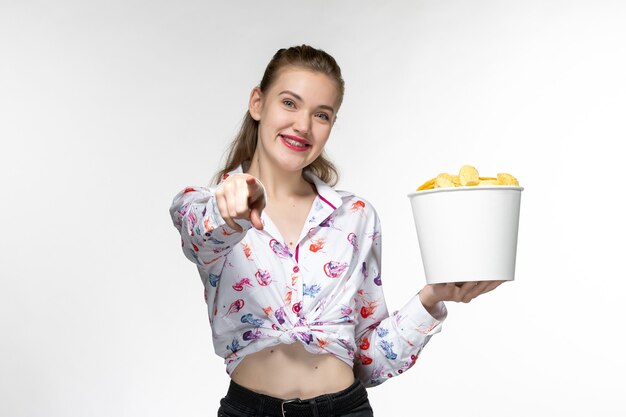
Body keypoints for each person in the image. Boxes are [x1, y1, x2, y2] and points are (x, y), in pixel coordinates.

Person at [169, 44, 504, 417]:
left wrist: (430, 298)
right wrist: (230, 208)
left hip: (346, 409)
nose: (303, 125)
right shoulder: (204, 205)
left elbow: (368, 362)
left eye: (322, 115)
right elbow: (202, 235)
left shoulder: (355, 217)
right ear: (258, 103)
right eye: (290, 103)